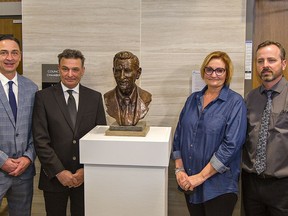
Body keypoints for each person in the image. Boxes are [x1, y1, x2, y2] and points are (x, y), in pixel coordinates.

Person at [32, 49, 107, 216]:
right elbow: (40, 140)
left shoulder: (95, 98)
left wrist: (85, 170)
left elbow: (100, 138)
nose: (70, 74)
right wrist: (59, 171)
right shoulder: (43, 97)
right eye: (65, 69)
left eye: (75, 69)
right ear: (59, 69)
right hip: (54, 177)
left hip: (85, 178)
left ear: (83, 70)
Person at [172, 51, 247, 216]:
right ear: (203, 72)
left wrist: (199, 177)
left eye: (220, 70)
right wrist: (180, 171)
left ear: (227, 74)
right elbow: (179, 136)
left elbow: (231, 146)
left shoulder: (235, 103)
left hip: (218, 187)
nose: (214, 74)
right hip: (189, 182)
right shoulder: (192, 99)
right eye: (209, 69)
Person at [242, 40, 288, 215]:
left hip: (283, 186)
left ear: (283, 64)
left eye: (271, 60)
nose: (265, 65)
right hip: (252, 183)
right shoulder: (250, 98)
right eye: (260, 61)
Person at [0, 34, 38, 215]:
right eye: (3, 53)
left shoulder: (31, 88)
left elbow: (37, 130)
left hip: (24, 172)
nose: (9, 58)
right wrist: (2, 161)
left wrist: (28, 158)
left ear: (20, 56)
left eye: (14, 53)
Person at [104, 51, 152, 126]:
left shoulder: (145, 97)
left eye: (127, 71)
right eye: (118, 71)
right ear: (113, 72)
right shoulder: (108, 98)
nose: (122, 76)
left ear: (138, 73)